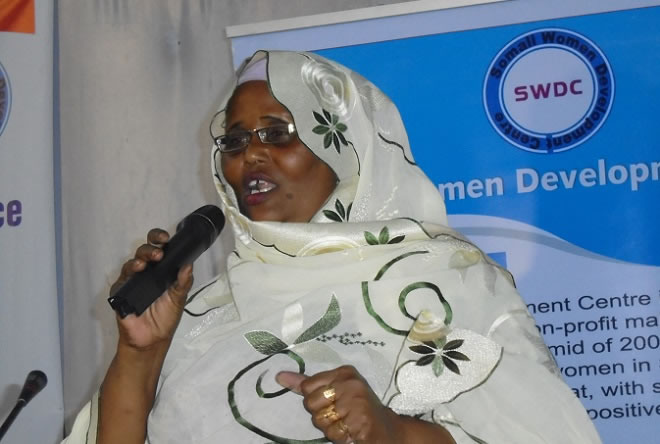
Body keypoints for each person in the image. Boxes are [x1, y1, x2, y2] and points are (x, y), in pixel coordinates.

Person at [64, 50, 601, 443]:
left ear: (343, 147)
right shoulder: (207, 314)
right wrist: (140, 353)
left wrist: (393, 432)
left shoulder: (444, 281)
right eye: (234, 139)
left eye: (277, 132)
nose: (249, 155)